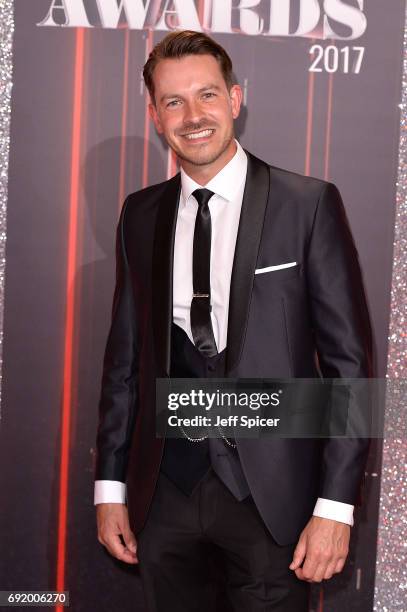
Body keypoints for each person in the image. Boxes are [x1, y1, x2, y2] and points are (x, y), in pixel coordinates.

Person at [94, 30, 373, 611]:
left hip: (272, 504)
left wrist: (335, 507)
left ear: (235, 98)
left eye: (207, 95)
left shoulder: (308, 204)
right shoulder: (139, 214)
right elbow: (124, 361)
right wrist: (111, 487)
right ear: (154, 114)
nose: (193, 116)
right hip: (164, 495)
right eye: (174, 101)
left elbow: (349, 367)